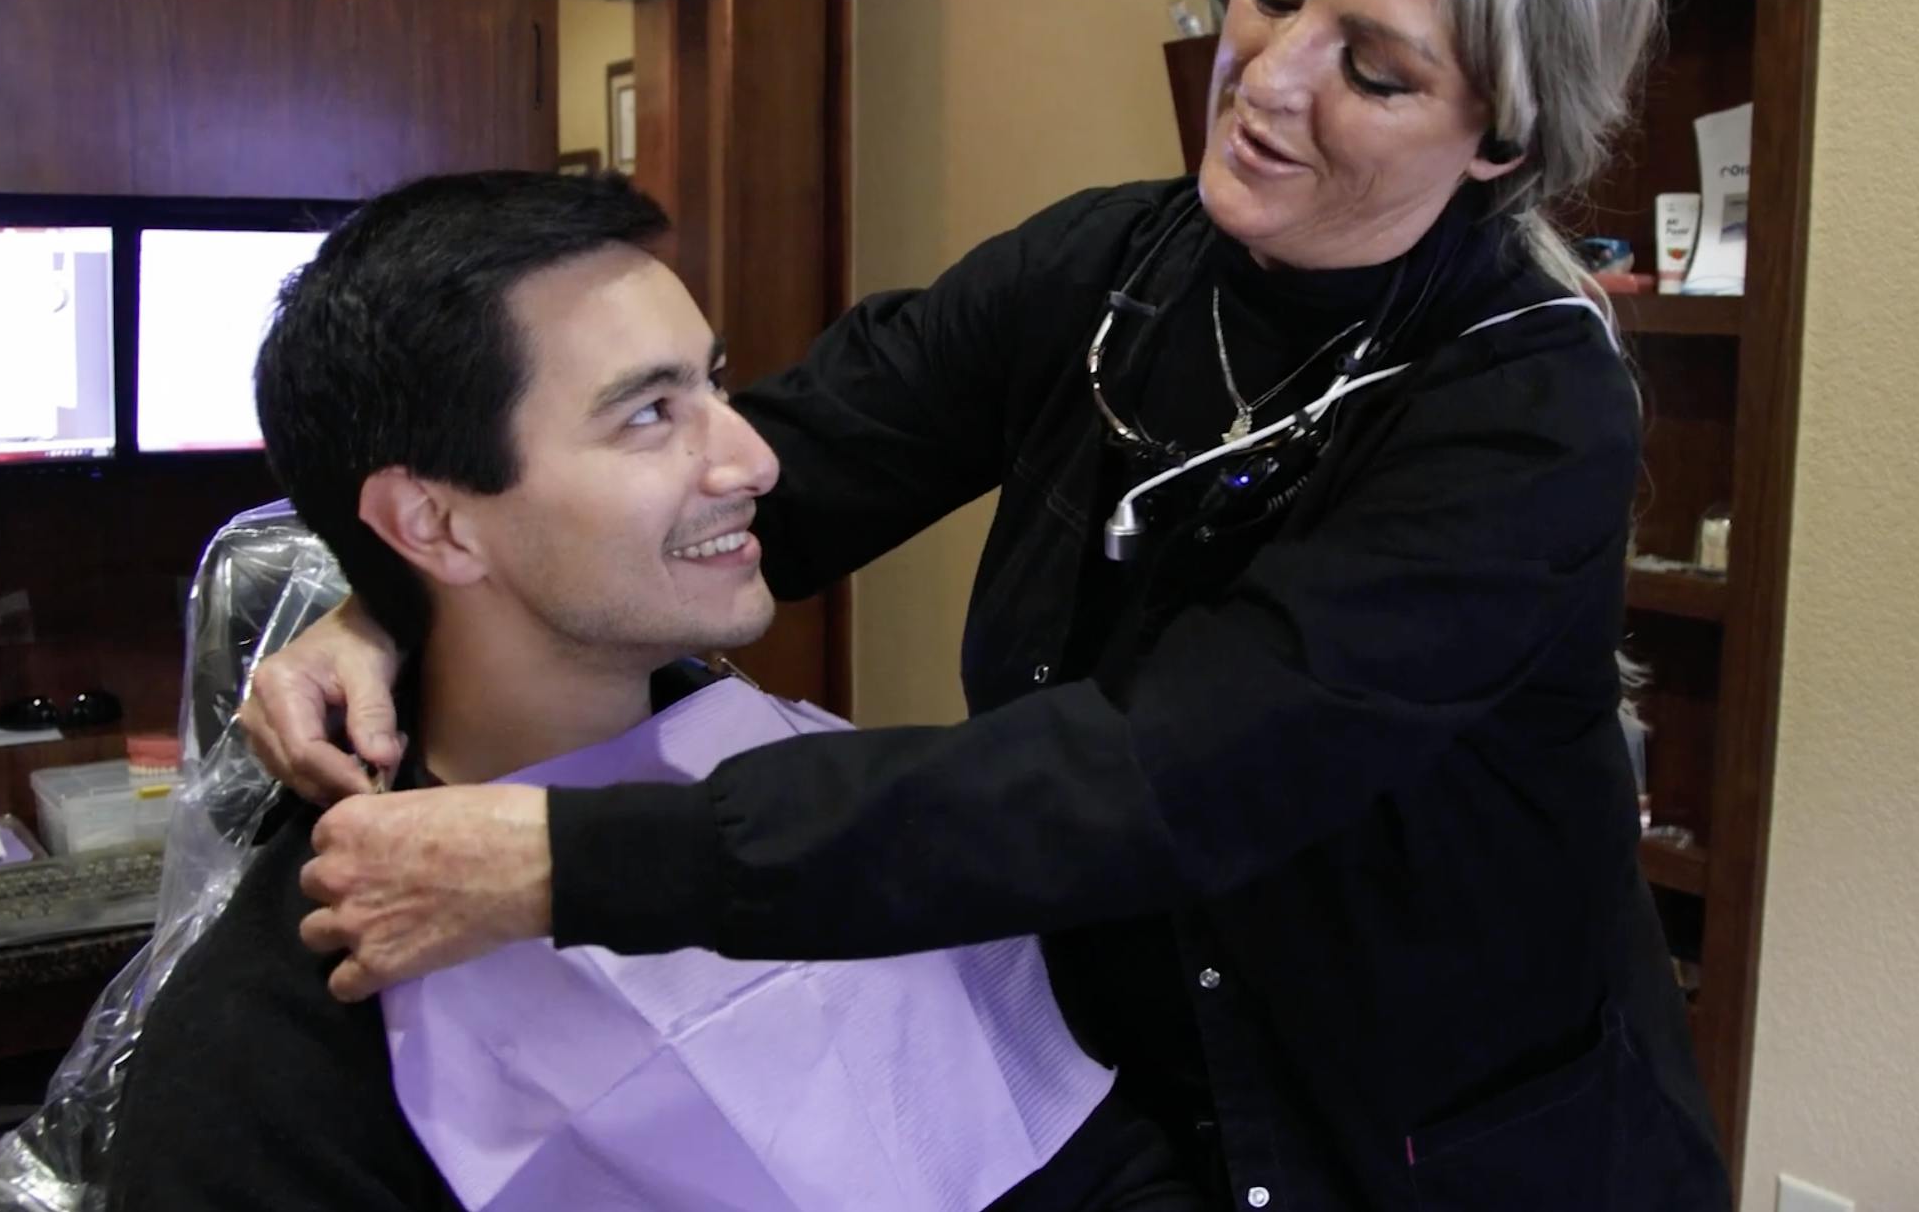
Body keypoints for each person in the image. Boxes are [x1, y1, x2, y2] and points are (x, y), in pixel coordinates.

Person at [245, 0, 1731, 1207]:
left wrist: (569, 861)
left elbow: (1158, 775)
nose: (1265, 79)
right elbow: (784, 463)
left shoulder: (1524, 419)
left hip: (1427, 1131)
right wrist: (394, 599)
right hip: (1121, 1080)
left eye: (1375, 68)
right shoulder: (1108, 267)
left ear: (1502, 136)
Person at [103, 173, 1203, 1211]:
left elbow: (1095, 1169)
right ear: (433, 522)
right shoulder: (273, 1050)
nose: (755, 460)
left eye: (712, 382)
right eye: (648, 414)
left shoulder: (804, 799)